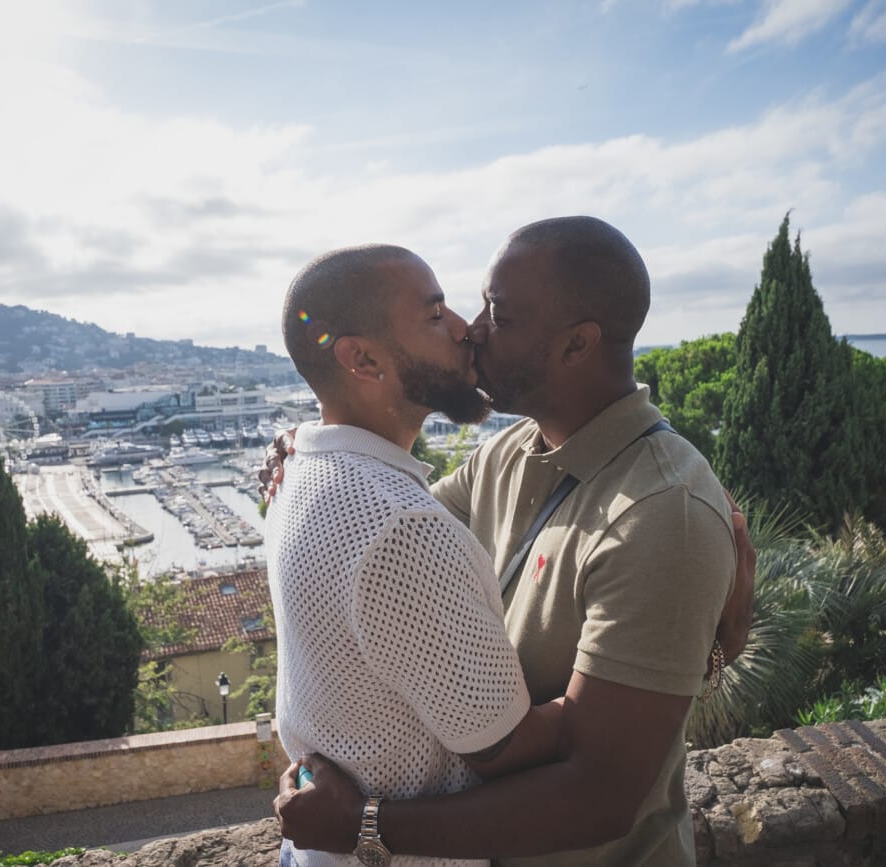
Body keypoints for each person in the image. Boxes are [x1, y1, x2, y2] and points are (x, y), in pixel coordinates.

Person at [272, 216, 750, 866]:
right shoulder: (509, 453)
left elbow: (603, 793)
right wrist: (317, 452)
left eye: (500, 313)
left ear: (577, 345)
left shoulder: (664, 509)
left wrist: (365, 824)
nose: (473, 327)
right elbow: (378, 555)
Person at [269, 244, 565, 866]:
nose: (465, 329)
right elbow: (506, 746)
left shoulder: (302, 469)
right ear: (362, 359)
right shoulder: (400, 526)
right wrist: (678, 671)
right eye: (435, 316)